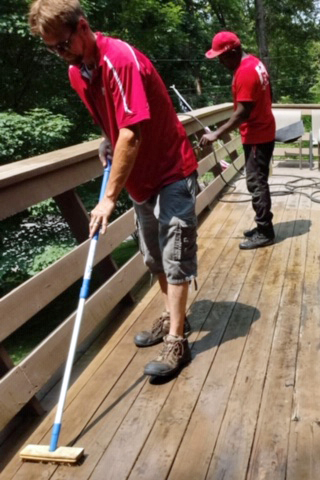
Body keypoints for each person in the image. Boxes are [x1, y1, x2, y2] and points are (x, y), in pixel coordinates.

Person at [29, 0, 198, 378]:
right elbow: (115, 123)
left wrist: (108, 199)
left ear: (84, 27)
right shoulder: (79, 72)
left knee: (176, 252)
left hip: (170, 169)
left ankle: (177, 340)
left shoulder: (118, 59)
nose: (60, 55)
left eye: (63, 44)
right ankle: (176, 318)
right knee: (153, 255)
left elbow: (132, 131)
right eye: (51, 48)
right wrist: (105, 137)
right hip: (139, 178)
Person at [199, 31, 276, 250]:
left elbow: (242, 112)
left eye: (221, 57)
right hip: (264, 130)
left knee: (256, 182)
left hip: (256, 135)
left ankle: (265, 231)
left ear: (232, 52)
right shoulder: (254, 63)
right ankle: (263, 226)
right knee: (259, 180)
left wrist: (216, 133)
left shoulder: (245, 73)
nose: (220, 62)